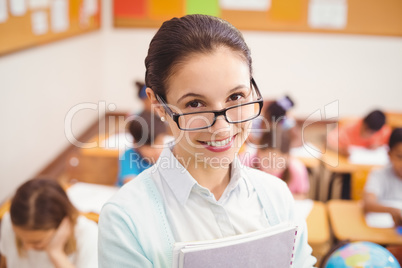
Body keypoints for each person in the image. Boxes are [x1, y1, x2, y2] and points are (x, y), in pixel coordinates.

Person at [98, 14, 316, 267]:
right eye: (195, 104)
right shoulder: (126, 219)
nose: (222, 128)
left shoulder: (276, 195)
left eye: (236, 97)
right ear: (158, 105)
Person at [0, 178, 98, 268]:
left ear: (63, 226)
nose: (26, 247)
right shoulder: (9, 222)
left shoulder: (89, 236)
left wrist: (56, 254)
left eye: (36, 242)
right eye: (20, 237)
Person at [243, 130, 310, 200]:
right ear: (258, 152)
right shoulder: (245, 164)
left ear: (288, 158)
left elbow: (302, 195)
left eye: (278, 163)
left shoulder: (296, 170)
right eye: (267, 162)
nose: (272, 168)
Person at [363, 128, 402, 227]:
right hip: (381, 231)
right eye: (400, 157)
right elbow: (368, 204)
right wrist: (391, 211)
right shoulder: (379, 174)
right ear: (389, 154)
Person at [117, 110, 166, 186]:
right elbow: (131, 185)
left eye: (160, 142)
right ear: (135, 144)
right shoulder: (129, 156)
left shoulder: (167, 156)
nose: (157, 150)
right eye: (149, 147)